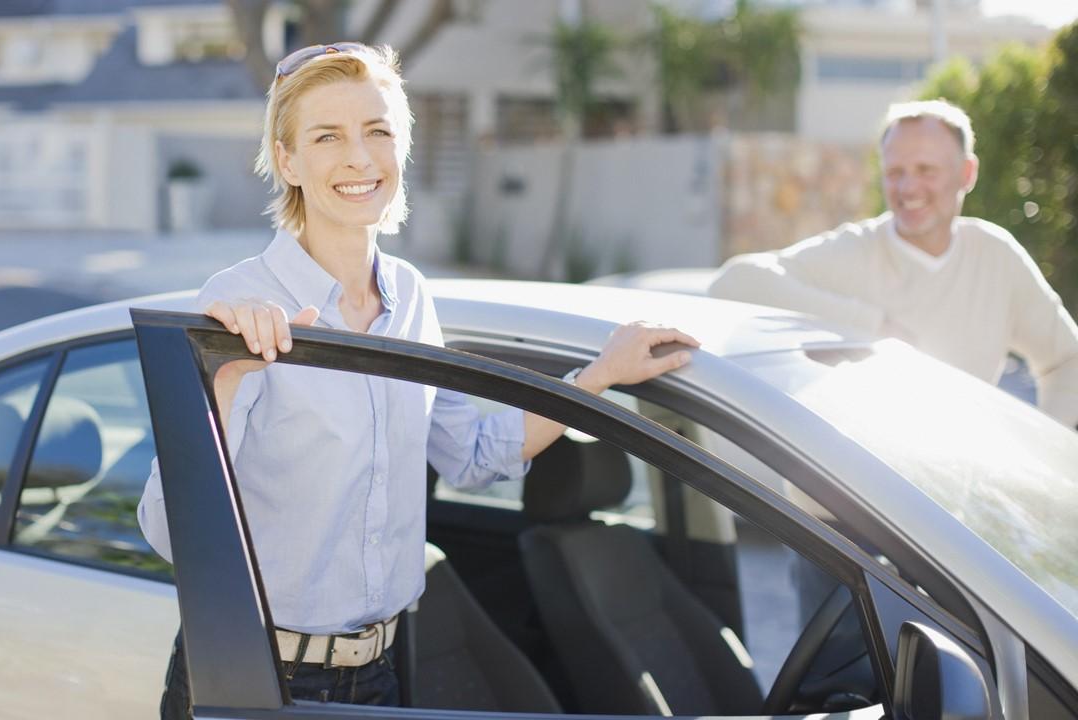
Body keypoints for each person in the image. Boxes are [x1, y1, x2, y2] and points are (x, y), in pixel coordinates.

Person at [137, 42, 699, 716]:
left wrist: (602, 375)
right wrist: (223, 379)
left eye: (378, 131)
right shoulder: (236, 305)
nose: (359, 157)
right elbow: (168, 530)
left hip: (380, 675)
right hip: (253, 677)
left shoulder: (410, 295)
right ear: (286, 160)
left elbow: (471, 455)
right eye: (327, 136)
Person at [709, 99, 1078, 428]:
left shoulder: (996, 258)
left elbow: (1067, 359)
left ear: (966, 174)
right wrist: (869, 326)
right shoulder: (854, 250)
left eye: (925, 170)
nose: (907, 188)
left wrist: (1046, 454)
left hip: (951, 498)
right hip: (839, 499)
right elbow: (733, 284)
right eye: (895, 173)